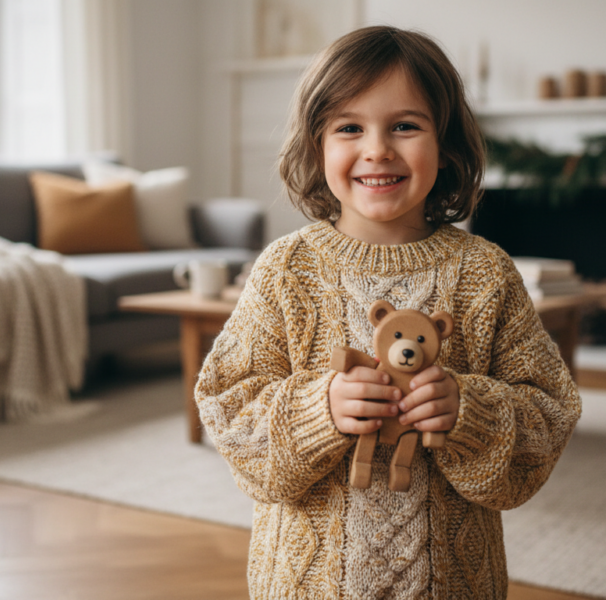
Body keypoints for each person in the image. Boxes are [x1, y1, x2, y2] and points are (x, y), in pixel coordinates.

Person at [195, 25, 581, 600]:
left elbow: (550, 412)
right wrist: (314, 410)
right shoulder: (285, 270)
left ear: (446, 145)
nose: (377, 148)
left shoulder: (487, 273)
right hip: (307, 585)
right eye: (349, 127)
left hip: (453, 584)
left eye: (405, 125)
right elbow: (227, 404)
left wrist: (468, 411)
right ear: (317, 145)